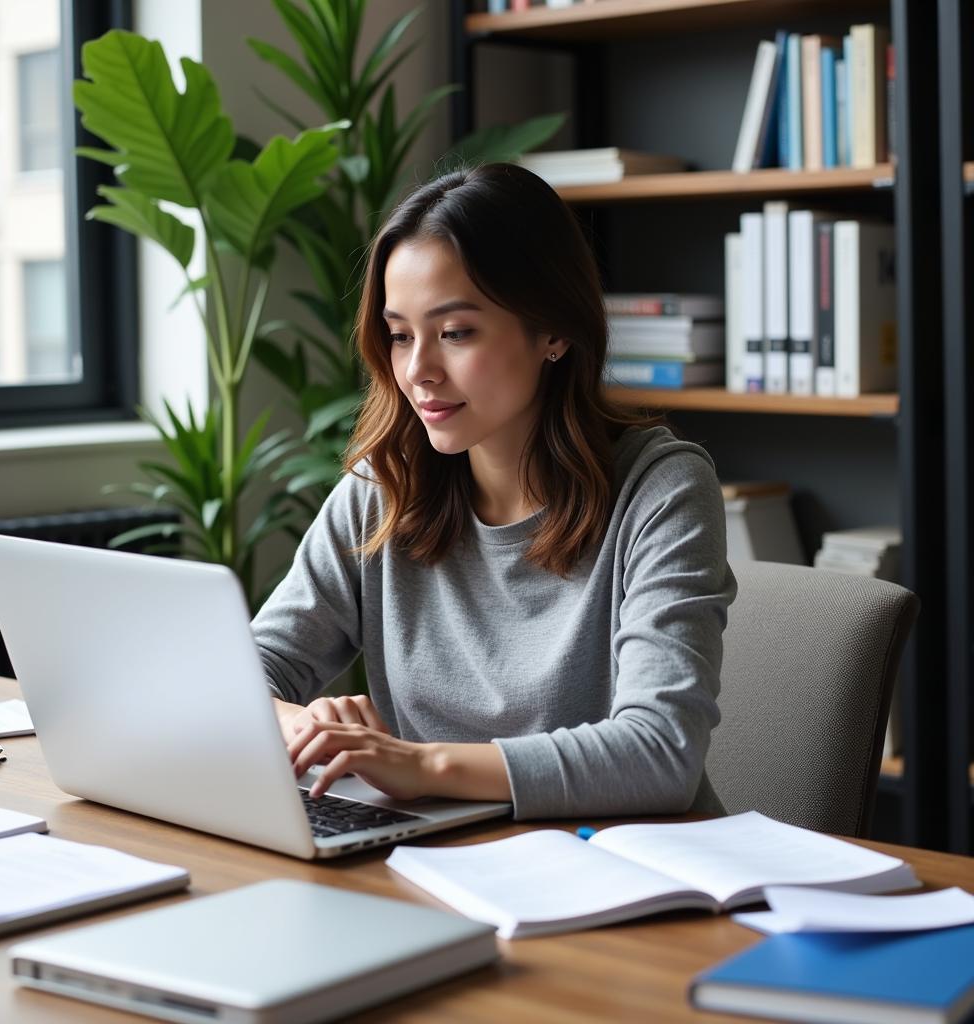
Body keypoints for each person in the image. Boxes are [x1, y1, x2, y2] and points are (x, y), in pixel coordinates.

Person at [252, 162, 736, 820]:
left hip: (628, 875)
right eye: (399, 335)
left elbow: (660, 750)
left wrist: (422, 763)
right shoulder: (384, 487)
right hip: (446, 862)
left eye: (455, 333)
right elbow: (246, 670)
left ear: (555, 330)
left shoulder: (662, 489)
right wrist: (303, 726)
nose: (417, 370)